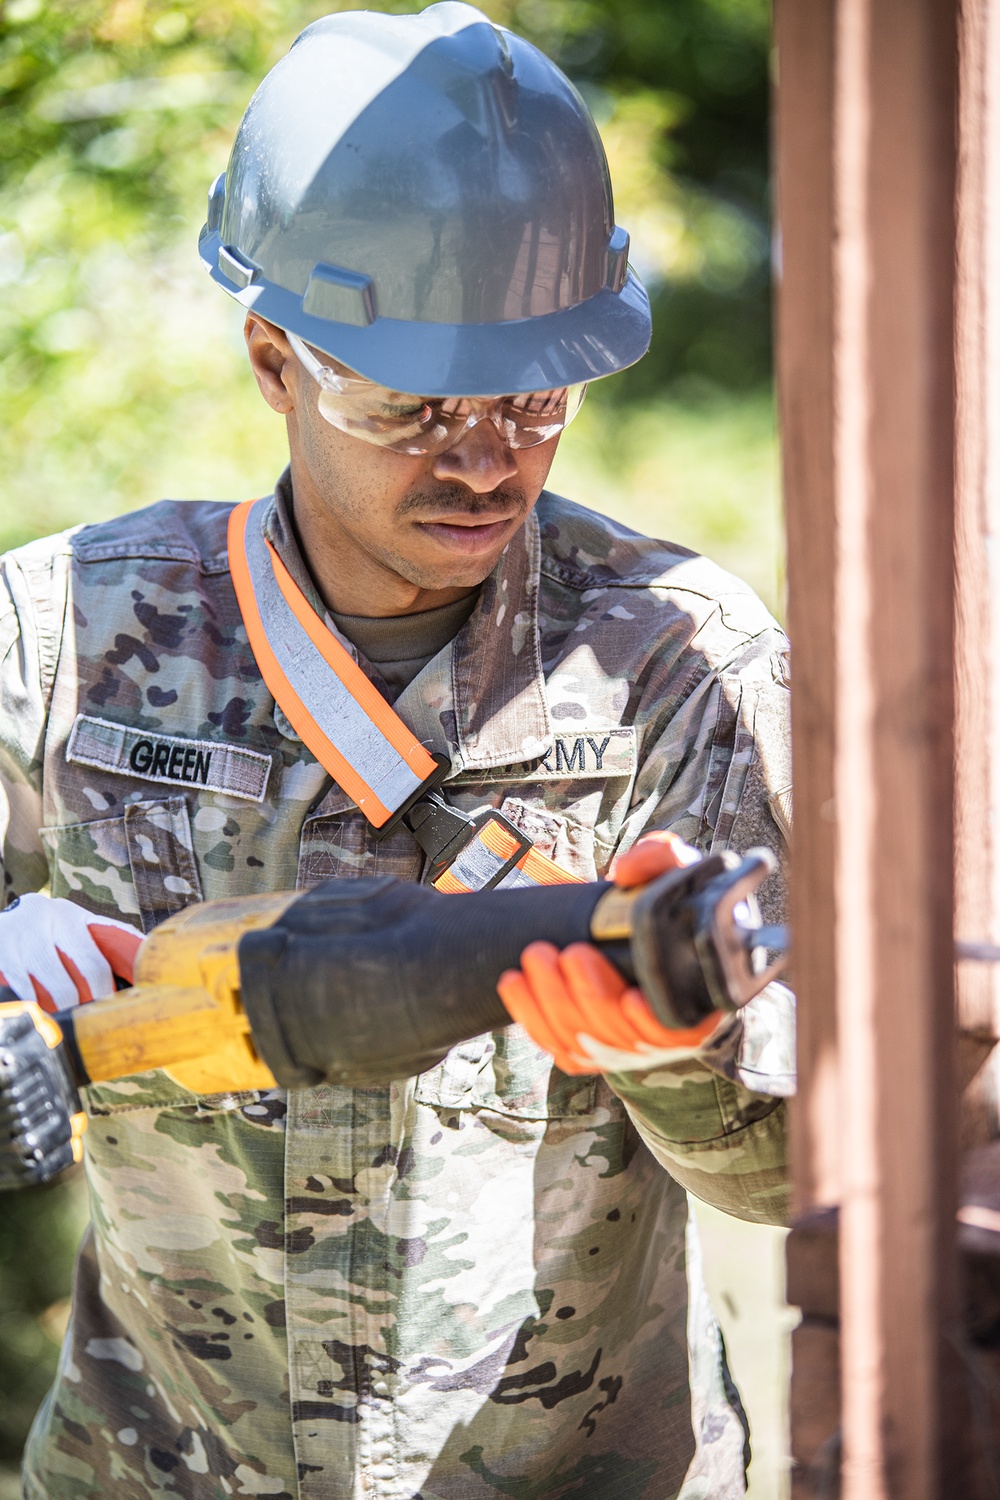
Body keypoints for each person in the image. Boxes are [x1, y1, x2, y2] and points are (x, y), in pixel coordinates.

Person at [0, 6, 793, 1496]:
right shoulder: (61, 639)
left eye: (535, 401)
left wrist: (677, 1057)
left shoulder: (682, 666)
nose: (486, 458)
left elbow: (812, 1171)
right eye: (410, 403)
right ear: (271, 361)